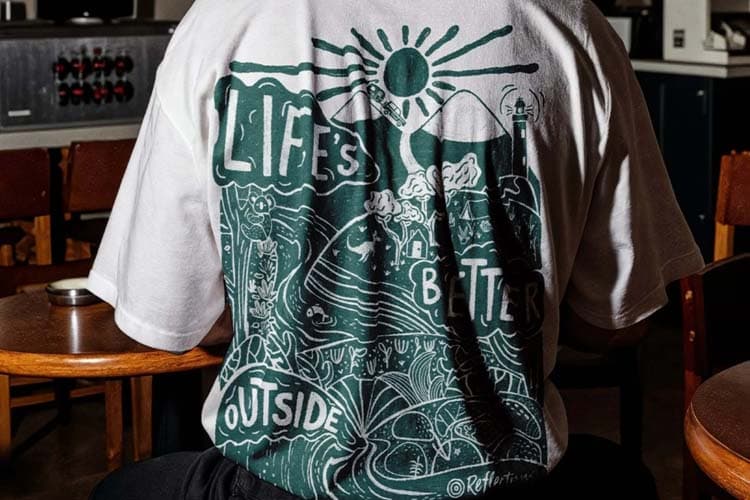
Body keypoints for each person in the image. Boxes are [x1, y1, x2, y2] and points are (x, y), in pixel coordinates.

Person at [88, 0, 704, 498]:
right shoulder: (571, 26)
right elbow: (618, 322)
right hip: (507, 479)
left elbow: (169, 317)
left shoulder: (220, 23)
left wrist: (279, 309)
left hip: (278, 482)